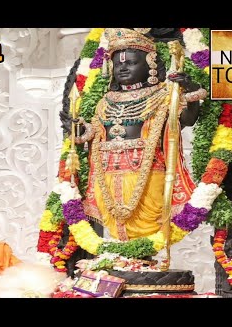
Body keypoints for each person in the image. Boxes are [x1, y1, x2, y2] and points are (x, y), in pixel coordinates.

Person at [59, 28, 205, 258]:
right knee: (115, 220)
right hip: (106, 174)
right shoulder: (105, 101)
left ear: (150, 66)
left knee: (149, 219)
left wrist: (191, 91)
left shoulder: (163, 95)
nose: (123, 68)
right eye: (118, 65)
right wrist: (77, 130)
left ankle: (143, 258)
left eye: (131, 63)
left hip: (148, 174)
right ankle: (127, 260)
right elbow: (94, 134)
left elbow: (186, 119)